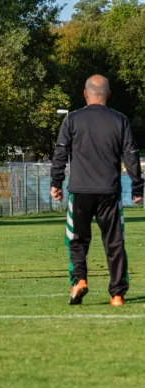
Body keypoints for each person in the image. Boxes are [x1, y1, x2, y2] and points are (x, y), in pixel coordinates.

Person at [50, 74, 143, 307]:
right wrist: (137, 187)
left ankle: (79, 280)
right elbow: (131, 155)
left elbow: (60, 153)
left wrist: (56, 183)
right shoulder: (120, 120)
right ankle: (117, 294)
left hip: (80, 191)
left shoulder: (72, 120)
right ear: (108, 94)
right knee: (114, 242)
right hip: (109, 191)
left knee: (77, 239)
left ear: (85, 93)